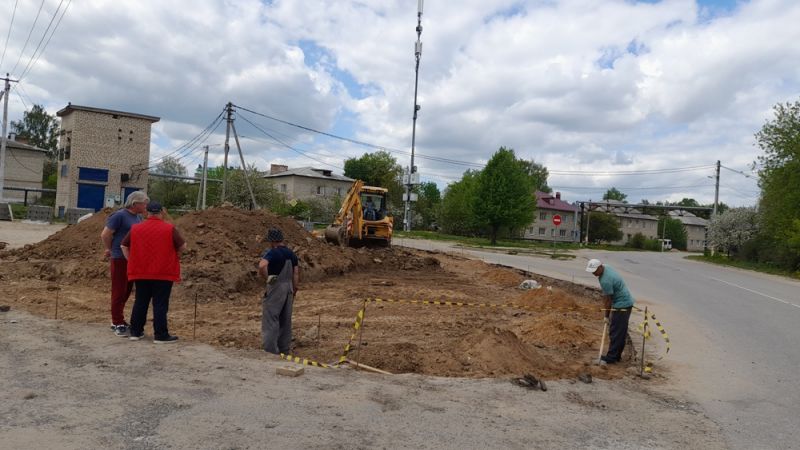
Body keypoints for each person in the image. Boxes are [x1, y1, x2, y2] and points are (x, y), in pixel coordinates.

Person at [121, 201, 186, 343]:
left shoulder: (136, 228)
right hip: (163, 272)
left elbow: (123, 246)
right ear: (162, 212)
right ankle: (161, 335)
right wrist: (175, 256)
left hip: (141, 271)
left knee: (140, 302)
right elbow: (182, 246)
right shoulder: (169, 228)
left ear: (146, 213)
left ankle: (135, 332)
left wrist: (131, 260)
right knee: (160, 304)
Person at [100, 190, 148, 336]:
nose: (146, 205)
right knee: (119, 290)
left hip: (132, 259)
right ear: (135, 203)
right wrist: (109, 249)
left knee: (126, 290)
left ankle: (119, 318)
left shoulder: (138, 217)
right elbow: (105, 234)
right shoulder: (120, 215)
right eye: (144, 203)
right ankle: (116, 322)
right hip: (120, 258)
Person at [258, 228, 300, 354]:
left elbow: (262, 265)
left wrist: (268, 279)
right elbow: (296, 273)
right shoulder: (291, 254)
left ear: (272, 241)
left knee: (271, 318)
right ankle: (284, 349)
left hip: (276, 287)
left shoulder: (273, 253)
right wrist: (295, 289)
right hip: (289, 288)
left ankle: (270, 350)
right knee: (285, 320)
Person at [586, 258, 635, 364]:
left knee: (615, 332)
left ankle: (612, 358)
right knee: (620, 331)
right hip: (626, 302)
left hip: (622, 305)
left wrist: (606, 316)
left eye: (595, 270)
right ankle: (616, 356)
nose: (593, 273)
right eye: (592, 271)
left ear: (600, 267)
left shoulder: (605, 280)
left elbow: (608, 300)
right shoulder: (607, 267)